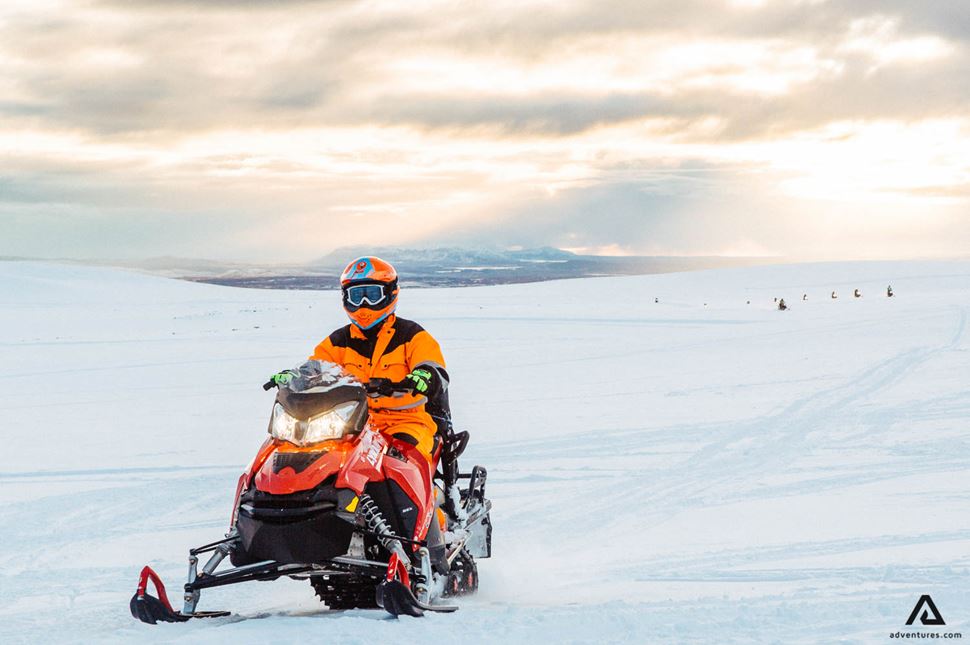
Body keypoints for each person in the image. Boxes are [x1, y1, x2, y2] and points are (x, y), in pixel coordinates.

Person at [273, 256, 450, 463]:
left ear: (390, 293)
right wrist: (296, 376)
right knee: (317, 459)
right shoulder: (338, 341)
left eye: (371, 295)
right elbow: (316, 366)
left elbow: (433, 365)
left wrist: (423, 376)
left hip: (404, 422)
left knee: (400, 465)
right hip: (351, 422)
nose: (363, 304)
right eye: (356, 296)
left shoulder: (411, 336)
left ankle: (408, 495)